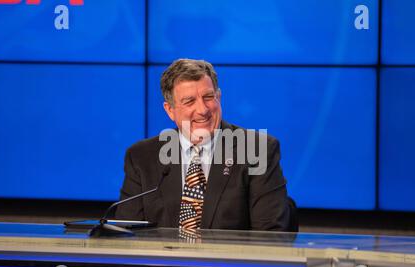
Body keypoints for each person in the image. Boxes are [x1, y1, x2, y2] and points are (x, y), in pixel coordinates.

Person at [115, 58, 292, 231]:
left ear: (219, 97)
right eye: (189, 101)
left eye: (208, 97)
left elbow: (271, 236)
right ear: (170, 110)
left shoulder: (256, 149)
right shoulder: (141, 157)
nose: (203, 110)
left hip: (229, 260)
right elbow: (126, 234)